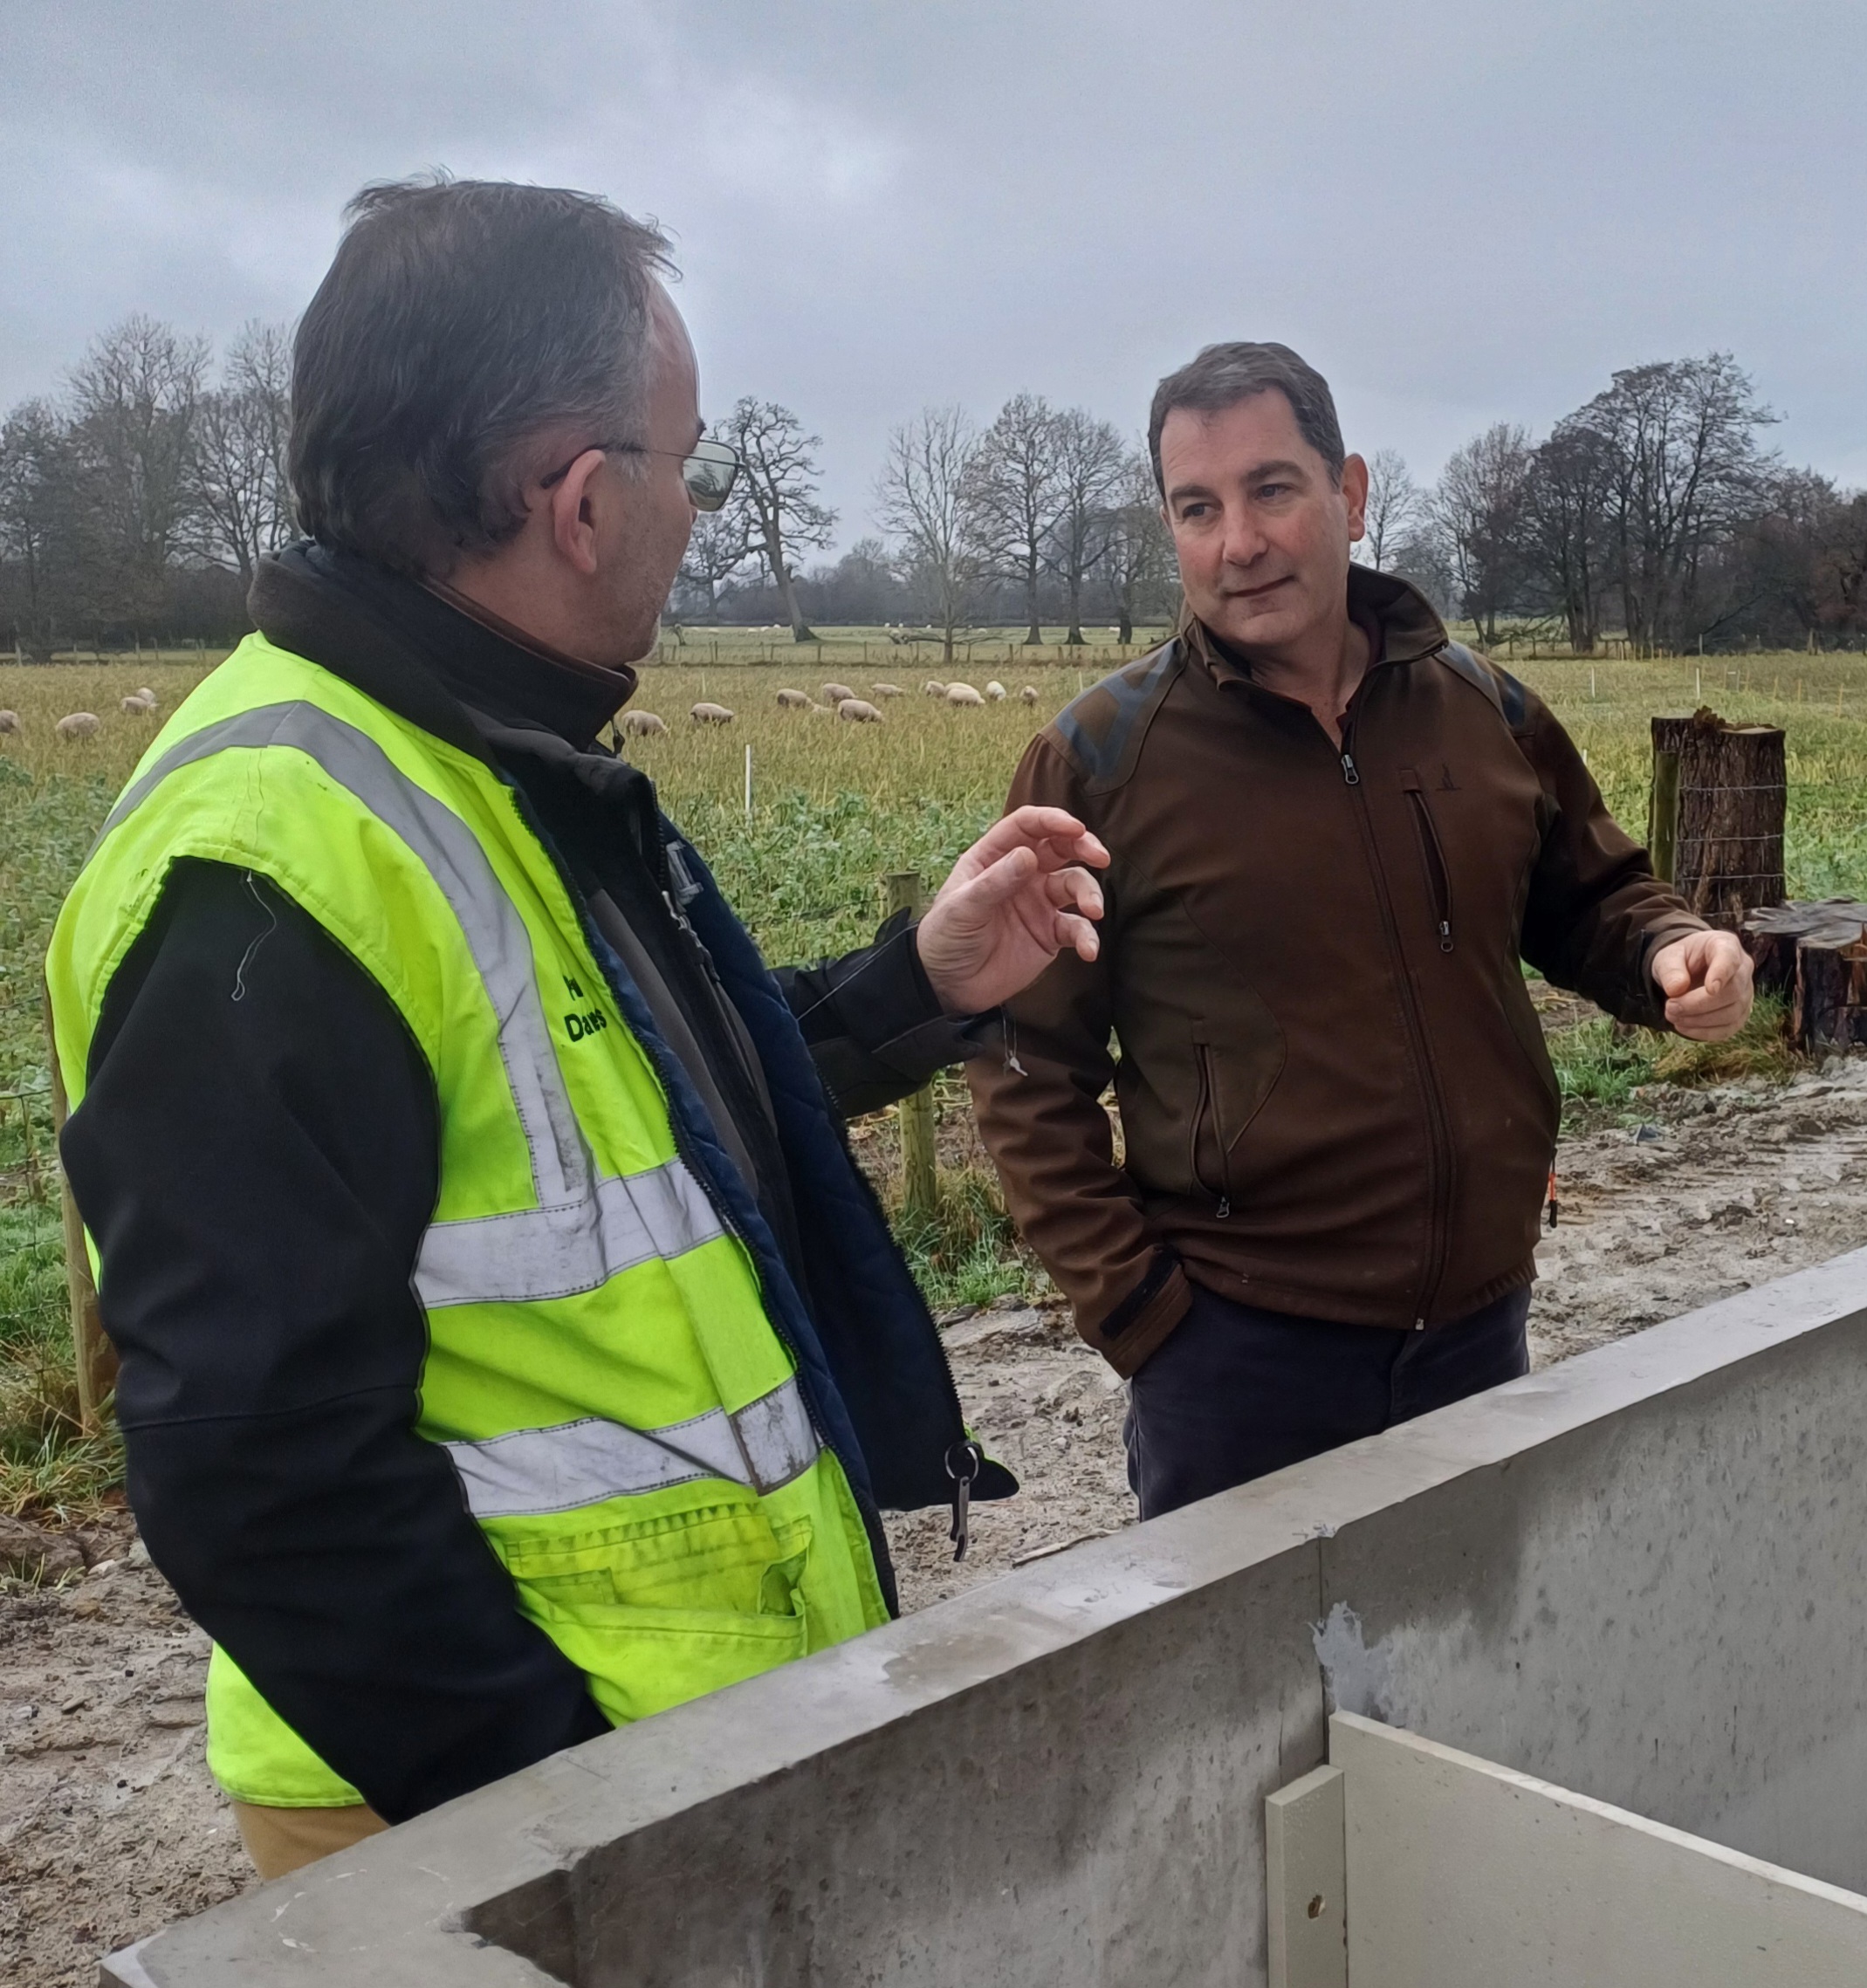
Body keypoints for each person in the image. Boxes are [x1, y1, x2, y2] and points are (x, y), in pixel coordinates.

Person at [45, 178, 1107, 1882]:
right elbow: (257, 1463)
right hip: (505, 1812)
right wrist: (557, 1811)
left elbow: (639, 1124)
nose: (696, 509)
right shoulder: (269, 862)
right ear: (584, 499)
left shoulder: (485, 758)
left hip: (662, 1748)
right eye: (686, 462)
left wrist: (916, 975)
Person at [969, 340, 1752, 1524]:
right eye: (1198, 507)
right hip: (1239, 1362)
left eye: (1272, 489)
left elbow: (1589, 893)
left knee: (1463, 1673)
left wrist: (1666, 951)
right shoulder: (1102, 761)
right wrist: (1144, 1319)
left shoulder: (1484, 708)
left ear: (1351, 492)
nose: (1239, 542)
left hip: (1477, 1331)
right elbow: (1027, 1061)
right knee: (1246, 1702)